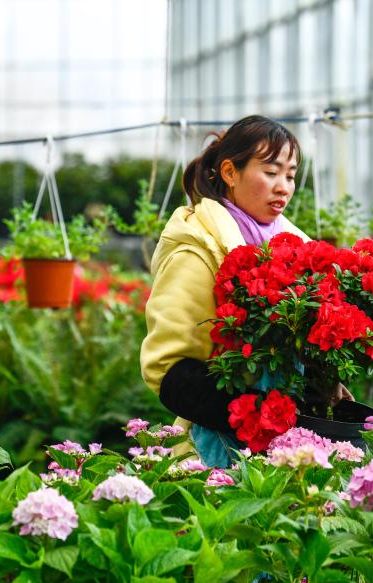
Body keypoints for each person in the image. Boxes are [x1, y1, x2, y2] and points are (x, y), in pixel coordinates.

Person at [141, 115, 347, 467]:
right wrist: (251, 414)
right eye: (270, 172)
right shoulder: (197, 251)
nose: (283, 186)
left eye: (291, 175)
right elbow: (168, 368)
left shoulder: (296, 247)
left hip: (291, 448)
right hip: (217, 451)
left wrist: (322, 386)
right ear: (230, 173)